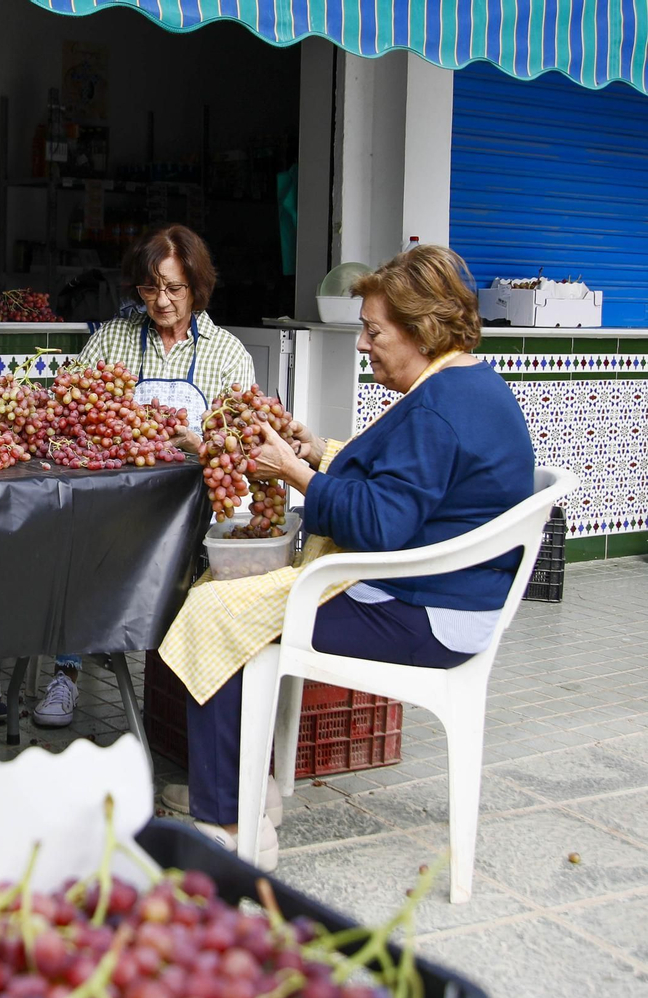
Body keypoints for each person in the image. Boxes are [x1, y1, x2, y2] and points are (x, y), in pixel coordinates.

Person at [162, 244, 534, 869]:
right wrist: (322, 453)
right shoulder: (465, 383)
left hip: (424, 610)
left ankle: (227, 822)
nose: (362, 345)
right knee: (227, 602)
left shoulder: (439, 409)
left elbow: (381, 525)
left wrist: (294, 473)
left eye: (373, 331)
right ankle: (244, 789)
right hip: (440, 592)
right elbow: (411, 489)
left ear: (422, 331)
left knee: (215, 610)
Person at [33, 224, 258, 729]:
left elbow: (245, 448)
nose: (161, 301)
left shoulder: (227, 354)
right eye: (150, 287)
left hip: (188, 519)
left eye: (175, 288)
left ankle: (185, 695)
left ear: (197, 288)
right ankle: (66, 672)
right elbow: (66, 420)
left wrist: (200, 446)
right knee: (76, 552)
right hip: (111, 508)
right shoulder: (111, 341)